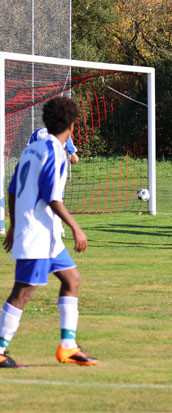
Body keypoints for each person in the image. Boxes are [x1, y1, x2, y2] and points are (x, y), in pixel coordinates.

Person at [0, 97, 98, 368]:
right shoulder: (55, 151)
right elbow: (52, 197)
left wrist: (12, 225)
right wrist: (76, 227)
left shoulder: (33, 149)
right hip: (37, 232)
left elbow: (11, 188)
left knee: (72, 279)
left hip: (45, 233)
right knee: (23, 290)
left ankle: (68, 347)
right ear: (72, 124)